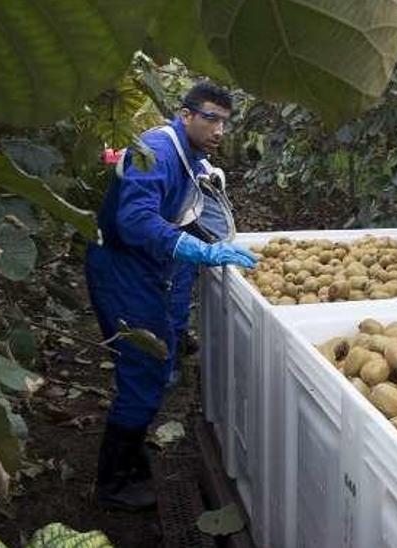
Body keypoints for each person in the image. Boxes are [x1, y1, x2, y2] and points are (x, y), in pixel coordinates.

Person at [85, 81, 257, 510]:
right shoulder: (159, 151)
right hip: (121, 267)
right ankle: (112, 484)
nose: (219, 129)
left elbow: (189, 210)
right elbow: (135, 220)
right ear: (185, 115)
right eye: (211, 118)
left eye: (225, 122)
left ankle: (132, 456)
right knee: (144, 367)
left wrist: (210, 242)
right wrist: (193, 249)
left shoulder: (191, 157)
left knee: (157, 360)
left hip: (146, 268)